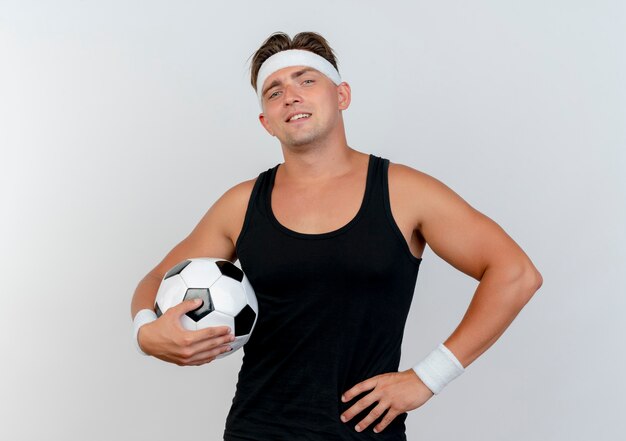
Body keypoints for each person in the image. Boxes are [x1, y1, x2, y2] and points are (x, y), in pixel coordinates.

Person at [130, 31, 543, 440]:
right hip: (258, 430)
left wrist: (428, 377)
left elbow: (515, 273)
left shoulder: (404, 192)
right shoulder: (241, 205)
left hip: (365, 433)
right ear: (266, 122)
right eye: (274, 91)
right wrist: (146, 332)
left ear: (342, 96)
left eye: (306, 81)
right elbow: (155, 282)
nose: (290, 95)